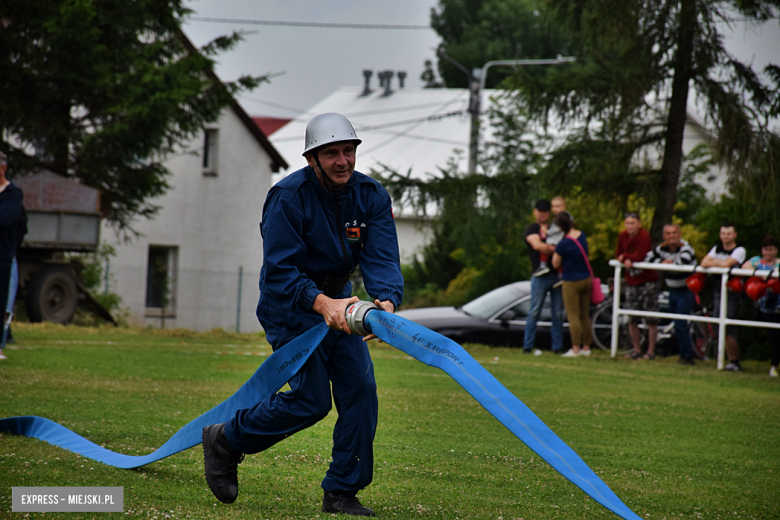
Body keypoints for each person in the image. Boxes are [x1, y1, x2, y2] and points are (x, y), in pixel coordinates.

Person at [201, 113, 403, 517]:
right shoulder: (287, 197)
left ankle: (342, 492)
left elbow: (381, 257)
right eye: (331, 153)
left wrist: (385, 304)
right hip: (290, 306)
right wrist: (321, 303)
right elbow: (280, 272)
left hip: (342, 305)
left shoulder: (371, 195)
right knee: (311, 401)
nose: (343, 160)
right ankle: (226, 440)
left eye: (349, 150)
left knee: (361, 392)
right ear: (312, 158)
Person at [644, 224, 698, 365]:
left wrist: (671, 262)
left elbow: (684, 261)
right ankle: (681, 354)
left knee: (680, 323)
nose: (671, 236)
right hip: (672, 290)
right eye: (668, 233)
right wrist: (662, 262)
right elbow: (648, 258)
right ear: (664, 236)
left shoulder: (686, 248)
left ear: (679, 234)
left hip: (686, 290)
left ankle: (687, 356)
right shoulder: (662, 248)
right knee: (676, 323)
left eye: (674, 233)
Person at [701, 222, 746, 371]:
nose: (725, 237)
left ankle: (735, 361)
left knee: (728, 326)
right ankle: (728, 359)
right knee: (720, 325)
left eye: (728, 234)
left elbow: (728, 264)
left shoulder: (739, 250)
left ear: (734, 235)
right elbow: (704, 262)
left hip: (732, 293)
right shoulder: (717, 248)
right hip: (718, 290)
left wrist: (715, 263)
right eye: (723, 234)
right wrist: (719, 263)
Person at [616, 212, 659, 360]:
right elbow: (618, 254)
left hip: (647, 281)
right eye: (627, 223)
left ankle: (651, 351)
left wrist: (626, 257)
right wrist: (625, 257)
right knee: (632, 317)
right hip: (631, 282)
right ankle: (636, 349)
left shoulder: (644, 236)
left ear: (639, 224)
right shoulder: (622, 236)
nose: (629, 226)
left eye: (632, 223)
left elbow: (639, 255)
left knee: (651, 317)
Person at [523, 199, 563, 354]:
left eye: (546, 211)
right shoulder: (531, 228)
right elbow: (537, 246)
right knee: (535, 311)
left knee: (557, 313)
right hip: (539, 276)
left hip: (556, 274)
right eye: (540, 211)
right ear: (535, 212)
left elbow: (564, 242)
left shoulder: (556, 226)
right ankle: (528, 345)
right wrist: (555, 249)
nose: (543, 213)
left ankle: (557, 347)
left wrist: (554, 248)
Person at [551, 212, 592, 357]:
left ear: (560, 226)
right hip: (587, 279)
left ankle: (575, 348)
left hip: (571, 281)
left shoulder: (563, 243)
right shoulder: (582, 236)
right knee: (584, 315)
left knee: (573, 315)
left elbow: (555, 263)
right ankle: (587, 347)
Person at [741, 236, 780, 377]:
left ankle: (773, 366)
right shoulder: (757, 262)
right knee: (774, 336)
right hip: (763, 306)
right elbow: (745, 267)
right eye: (765, 249)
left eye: (771, 249)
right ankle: (773, 366)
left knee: (777, 337)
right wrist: (763, 277)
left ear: (775, 250)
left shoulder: (778, 264)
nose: (768, 252)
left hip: (778, 305)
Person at [0, 151, 23, 361]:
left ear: (3, 168)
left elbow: (5, 220)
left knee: (2, 301)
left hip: (3, 256)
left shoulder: (13, 194)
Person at [533, 196, 572, 281]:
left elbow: (558, 229)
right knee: (557, 258)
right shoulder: (558, 217)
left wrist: (547, 232)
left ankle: (545, 267)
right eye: (553, 207)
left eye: (557, 207)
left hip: (559, 240)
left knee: (557, 258)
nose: (555, 209)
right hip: (558, 240)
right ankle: (559, 275)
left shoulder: (562, 217)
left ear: (563, 207)